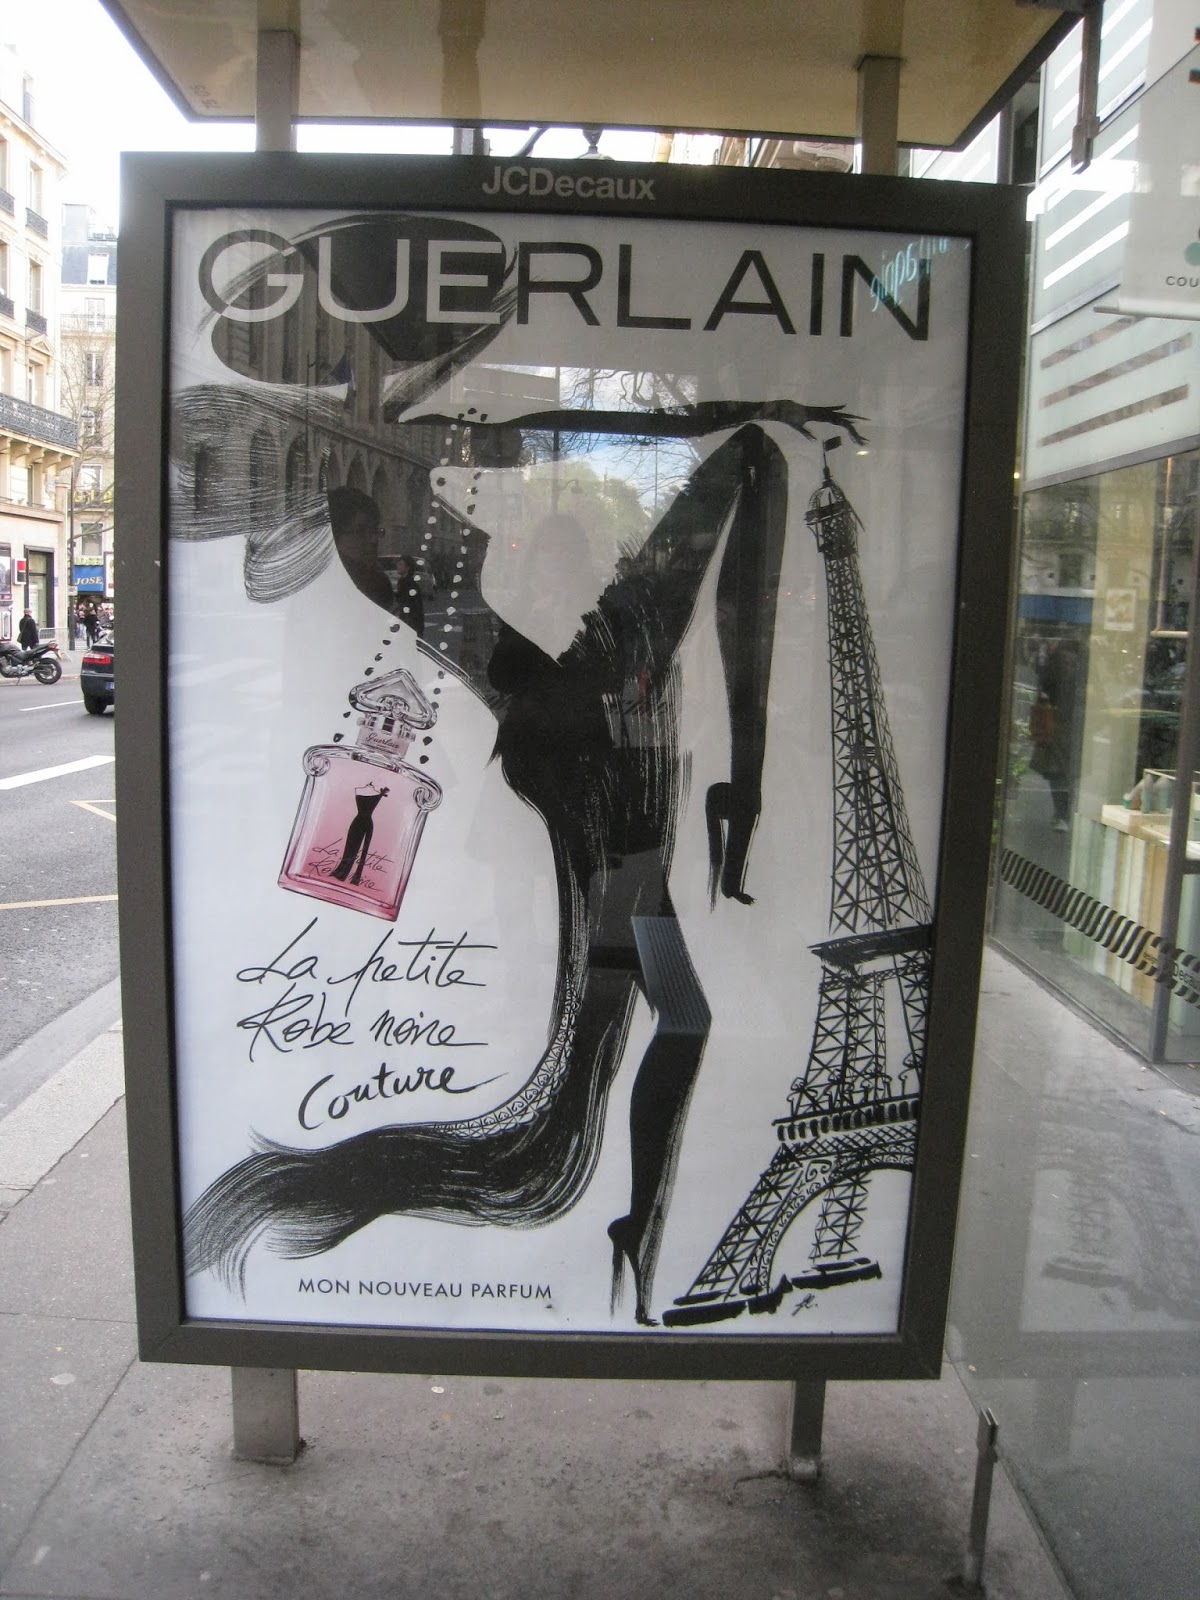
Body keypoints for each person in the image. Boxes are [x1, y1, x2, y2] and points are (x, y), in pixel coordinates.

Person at [393, 554, 425, 637]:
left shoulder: (410, 584)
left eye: (401, 564)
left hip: (411, 622)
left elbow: (411, 604)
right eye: (398, 564)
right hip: (407, 620)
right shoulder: (402, 581)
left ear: (408, 568)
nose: (398, 566)